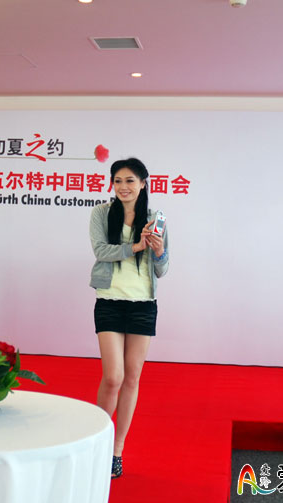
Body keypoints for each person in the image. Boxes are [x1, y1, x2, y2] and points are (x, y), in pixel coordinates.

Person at [89, 157, 169, 479]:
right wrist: (135, 246)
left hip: (142, 305)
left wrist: (159, 251)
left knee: (132, 379)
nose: (123, 187)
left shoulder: (155, 219)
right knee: (113, 377)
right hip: (109, 301)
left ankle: (116, 450)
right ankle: (94, 442)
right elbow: (100, 251)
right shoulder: (100, 213)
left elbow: (162, 269)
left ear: (143, 183)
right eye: (118, 181)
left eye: (130, 181)